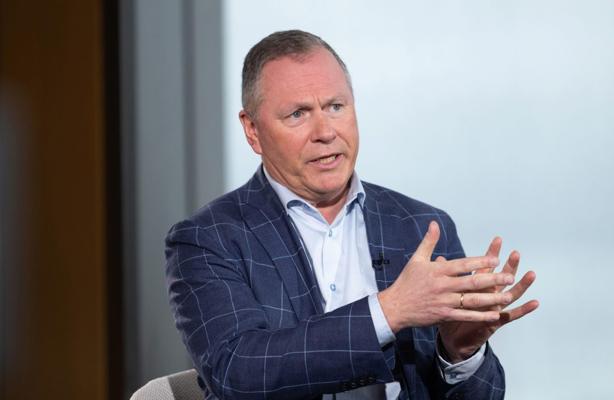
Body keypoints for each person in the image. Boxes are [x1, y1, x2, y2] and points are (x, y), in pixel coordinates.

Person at [165, 30, 538, 400]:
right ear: (253, 131)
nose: (325, 132)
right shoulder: (208, 239)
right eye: (298, 114)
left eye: (335, 107)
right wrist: (390, 310)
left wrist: (460, 354)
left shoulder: (421, 227)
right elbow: (238, 373)